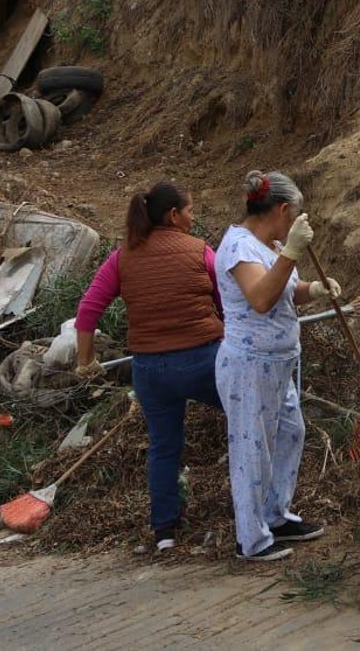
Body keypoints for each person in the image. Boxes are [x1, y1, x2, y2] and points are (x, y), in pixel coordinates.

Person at [75, 181, 222, 553]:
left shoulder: (122, 258)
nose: (194, 217)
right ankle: (256, 515)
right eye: (190, 211)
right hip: (204, 360)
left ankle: (165, 532)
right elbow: (230, 302)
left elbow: (88, 310)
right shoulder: (200, 251)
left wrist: (85, 361)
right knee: (247, 421)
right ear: (173, 215)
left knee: (163, 448)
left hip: (151, 370)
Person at [214, 169, 341, 562]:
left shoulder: (268, 245)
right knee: (252, 448)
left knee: (290, 433)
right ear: (283, 210)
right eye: (295, 215)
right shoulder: (239, 247)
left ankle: (276, 514)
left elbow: (286, 292)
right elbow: (261, 298)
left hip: (279, 363)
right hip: (249, 365)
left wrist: (315, 290)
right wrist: (290, 254)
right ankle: (250, 539)